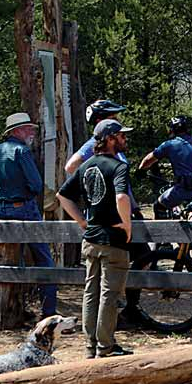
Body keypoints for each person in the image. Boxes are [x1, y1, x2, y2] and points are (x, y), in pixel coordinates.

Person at [56, 119, 134, 358]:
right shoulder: (118, 166)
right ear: (110, 139)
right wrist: (127, 225)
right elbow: (122, 197)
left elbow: (63, 195)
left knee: (91, 292)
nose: (125, 139)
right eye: (121, 135)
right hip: (113, 239)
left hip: (91, 239)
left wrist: (82, 221)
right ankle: (105, 347)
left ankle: (91, 346)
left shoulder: (87, 165)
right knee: (110, 294)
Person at [0, 112, 56, 320]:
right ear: (17, 131)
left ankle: (9, 314)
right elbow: (36, 185)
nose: (32, 133)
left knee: (9, 261)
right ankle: (49, 313)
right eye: (28, 129)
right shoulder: (21, 151)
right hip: (25, 209)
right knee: (44, 260)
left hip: (3, 210)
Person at [137, 115, 192, 219]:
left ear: (172, 130)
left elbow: (148, 160)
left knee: (159, 205)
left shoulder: (169, 145)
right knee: (188, 206)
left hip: (183, 189)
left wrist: (141, 170)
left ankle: (163, 234)